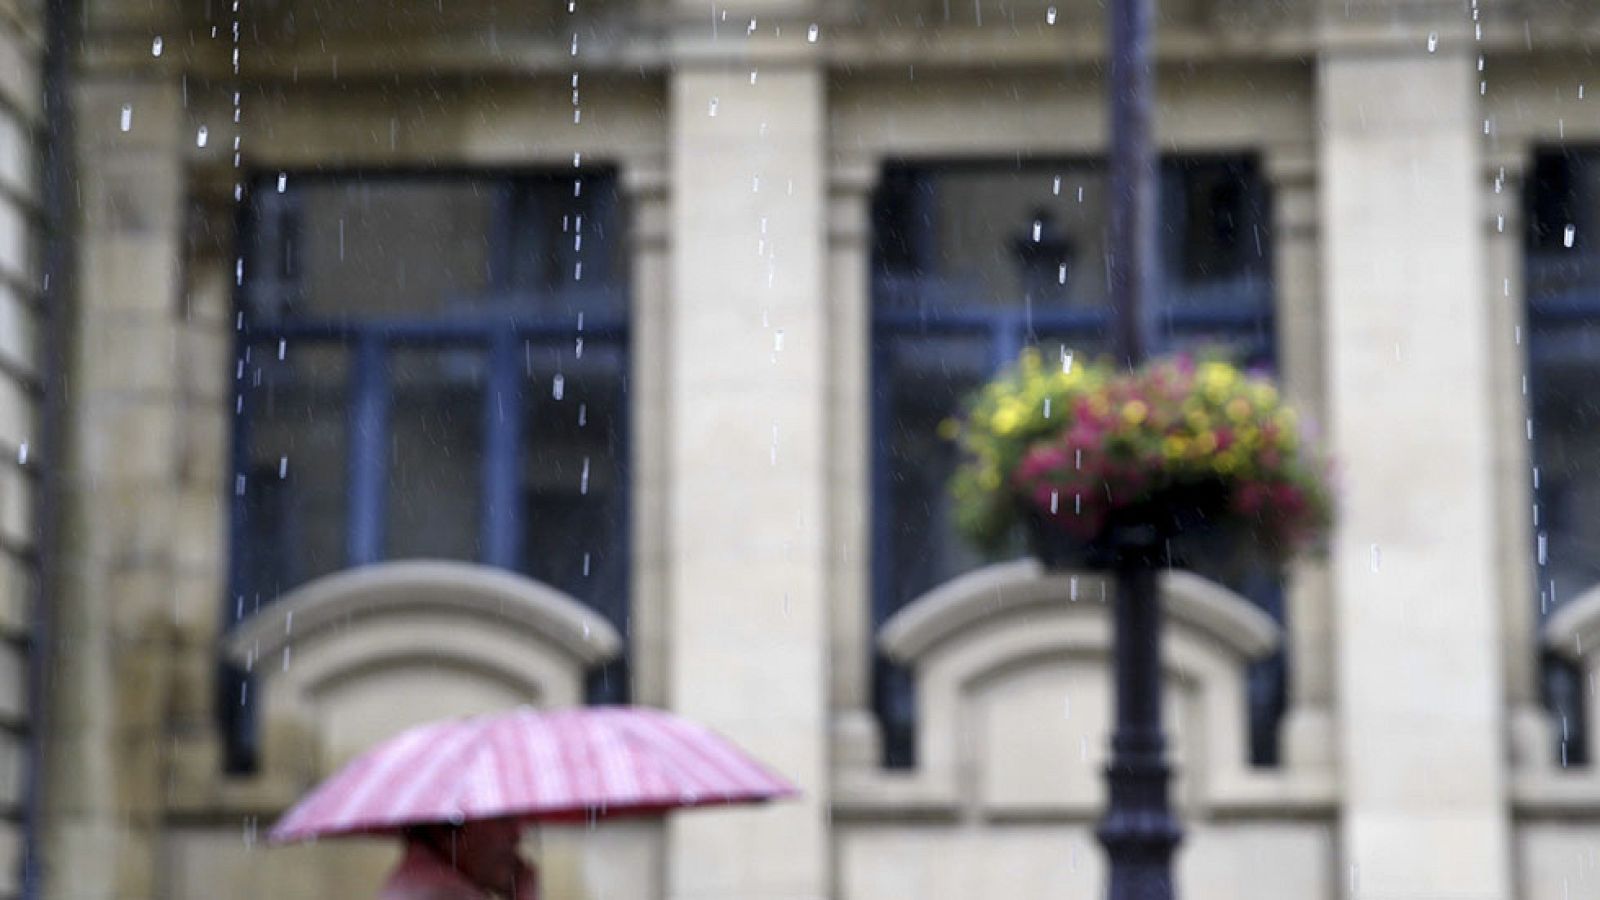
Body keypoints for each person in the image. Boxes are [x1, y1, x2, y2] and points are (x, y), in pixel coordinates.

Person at [379, 819, 538, 900]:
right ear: (451, 826)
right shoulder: (443, 893)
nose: (517, 834)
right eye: (503, 819)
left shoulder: (414, 881)